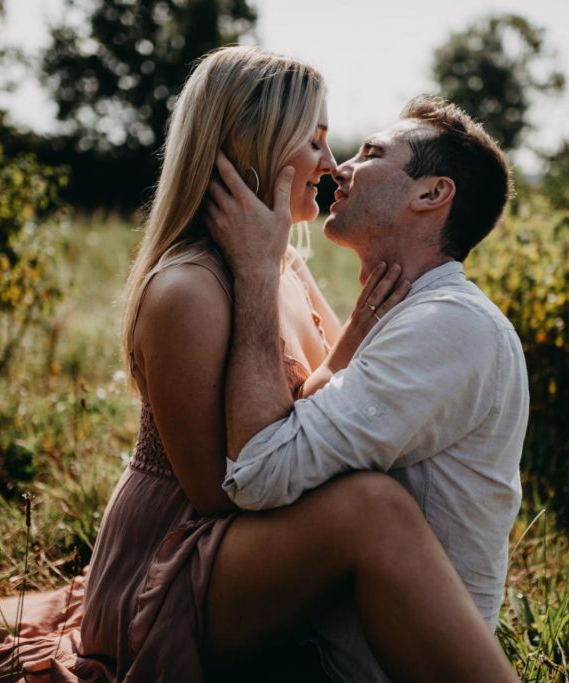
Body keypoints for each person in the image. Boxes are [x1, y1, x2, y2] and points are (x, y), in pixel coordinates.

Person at [0, 47, 518, 682]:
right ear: (257, 146)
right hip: (192, 539)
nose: (331, 164)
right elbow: (223, 489)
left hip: (241, 548)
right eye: (314, 140)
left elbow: (310, 412)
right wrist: (261, 278)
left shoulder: (287, 267)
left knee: (60, 627)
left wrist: (345, 321)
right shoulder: (192, 288)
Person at [204, 94, 529, 681]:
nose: (338, 167)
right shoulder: (406, 314)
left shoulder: (449, 326)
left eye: (371, 153)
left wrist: (256, 271)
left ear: (432, 194)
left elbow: (258, 471)